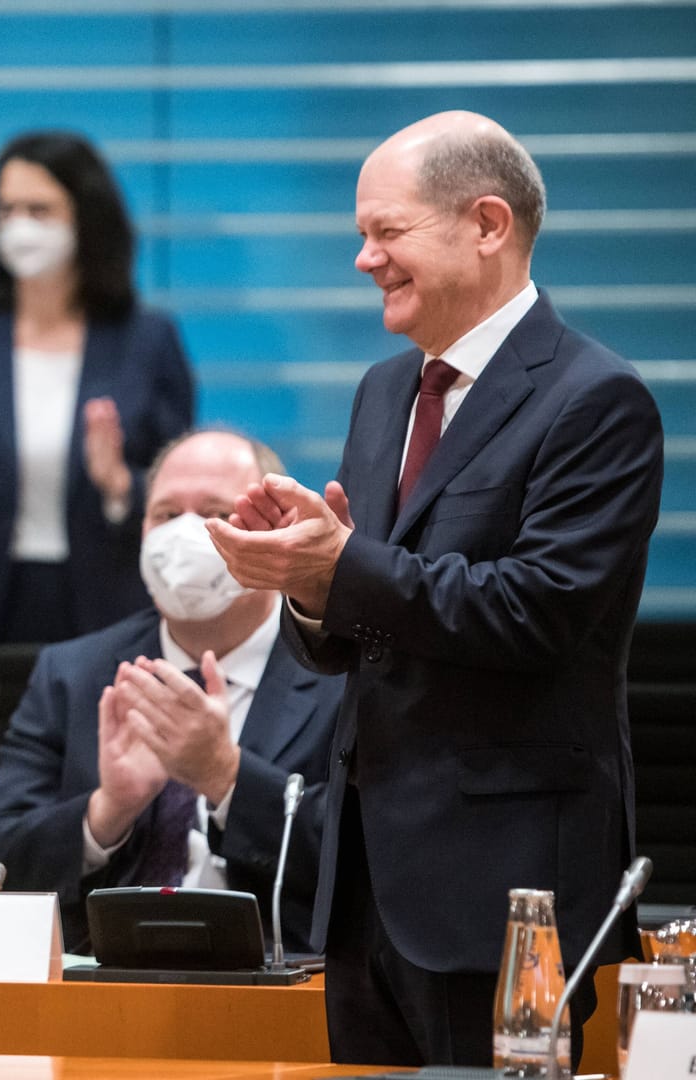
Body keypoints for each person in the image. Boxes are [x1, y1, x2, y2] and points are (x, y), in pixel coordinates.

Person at [206, 112, 664, 1067]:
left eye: (386, 231)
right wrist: (305, 583)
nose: (362, 258)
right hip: (364, 891)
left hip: (507, 891)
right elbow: (358, 632)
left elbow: (536, 611)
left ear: (487, 224)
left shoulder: (596, 400)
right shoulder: (384, 393)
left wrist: (341, 565)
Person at [0, 430, 342, 953]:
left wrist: (226, 779)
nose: (186, 532)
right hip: (101, 998)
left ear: (278, 530)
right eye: (165, 515)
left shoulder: (344, 671)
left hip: (284, 996)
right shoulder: (73, 672)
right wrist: (106, 812)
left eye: (214, 510)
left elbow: (380, 867)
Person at [0, 131, 196, 647]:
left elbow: (187, 493)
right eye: (6, 210)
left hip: (108, 613)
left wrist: (121, 487)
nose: (19, 227)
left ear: (86, 219)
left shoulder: (147, 341)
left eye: (40, 209)